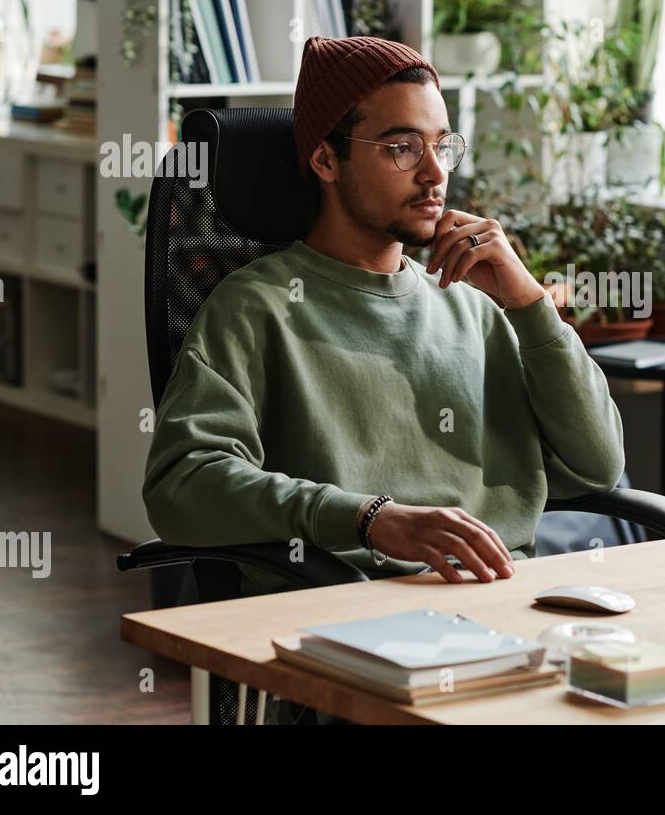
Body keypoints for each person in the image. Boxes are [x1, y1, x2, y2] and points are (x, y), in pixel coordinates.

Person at [141, 36, 626, 598]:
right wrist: (369, 518)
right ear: (326, 159)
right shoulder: (255, 309)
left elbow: (598, 467)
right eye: (402, 148)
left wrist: (530, 306)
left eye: (442, 146)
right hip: (353, 615)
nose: (434, 174)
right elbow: (182, 486)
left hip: (510, 602)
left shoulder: (477, 309)